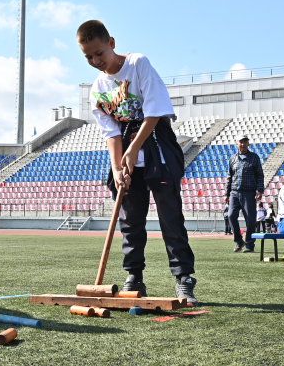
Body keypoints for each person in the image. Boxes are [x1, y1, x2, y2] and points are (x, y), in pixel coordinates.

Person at [77, 20, 198, 306]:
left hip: (157, 144)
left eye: (99, 53)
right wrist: (118, 167)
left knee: (170, 217)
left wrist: (134, 149)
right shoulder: (97, 89)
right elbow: (111, 134)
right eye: (88, 57)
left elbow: (154, 112)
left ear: (112, 43)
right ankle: (134, 276)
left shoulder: (138, 63)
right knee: (130, 220)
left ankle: (184, 279)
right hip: (126, 150)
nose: (95, 61)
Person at [225, 135, 264, 253]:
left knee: (250, 220)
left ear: (248, 144)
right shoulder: (233, 158)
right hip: (234, 192)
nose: (243, 144)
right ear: (237, 144)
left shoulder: (254, 157)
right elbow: (229, 177)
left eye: (245, 142)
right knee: (231, 215)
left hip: (249, 192)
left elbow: (259, 175)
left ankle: (250, 245)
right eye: (241, 142)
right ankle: (239, 241)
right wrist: (227, 193)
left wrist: (260, 190)